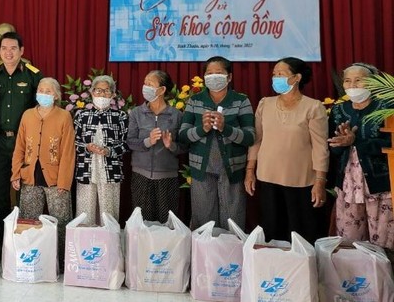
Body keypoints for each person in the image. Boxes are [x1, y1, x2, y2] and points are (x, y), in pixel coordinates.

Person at [245, 57, 329, 243]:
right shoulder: (265, 104)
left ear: (296, 77)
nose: (275, 78)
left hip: (301, 180)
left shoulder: (313, 107)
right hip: (268, 177)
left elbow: (320, 147)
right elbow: (256, 140)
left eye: (281, 74)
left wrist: (320, 181)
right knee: (272, 231)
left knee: (301, 234)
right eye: (274, 74)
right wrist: (250, 170)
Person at [180, 56, 255, 230]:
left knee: (233, 218)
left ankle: (231, 247)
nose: (213, 77)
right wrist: (202, 129)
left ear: (229, 77)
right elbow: (183, 136)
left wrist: (225, 128)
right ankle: (204, 248)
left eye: (218, 73)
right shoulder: (195, 100)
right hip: (202, 169)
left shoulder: (241, 101)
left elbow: (250, 137)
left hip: (232, 169)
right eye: (209, 73)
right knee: (203, 219)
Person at [328, 63, 393, 249]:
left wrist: (356, 141)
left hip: (381, 183)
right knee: (350, 241)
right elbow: (333, 146)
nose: (352, 85)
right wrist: (341, 143)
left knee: (383, 241)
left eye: (359, 80)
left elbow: (390, 143)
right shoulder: (339, 110)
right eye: (348, 81)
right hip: (348, 183)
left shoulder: (388, 107)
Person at [0, 31, 43, 238]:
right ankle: (1, 240)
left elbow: (41, 109)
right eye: (4, 48)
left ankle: (21, 238)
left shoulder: (33, 75)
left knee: (24, 194)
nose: (8, 53)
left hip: (24, 142)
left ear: (21, 51)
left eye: (13, 48)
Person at [11, 77, 74, 266]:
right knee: (29, 220)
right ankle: (30, 260)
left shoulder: (64, 116)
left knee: (60, 221)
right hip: (30, 176)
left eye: (48, 91)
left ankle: (62, 262)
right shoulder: (27, 115)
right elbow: (20, 146)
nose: (43, 94)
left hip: (55, 179)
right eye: (41, 90)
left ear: (56, 96)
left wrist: (64, 182)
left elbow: (68, 152)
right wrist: (15, 173)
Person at [127, 70, 184, 223]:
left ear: (162, 89)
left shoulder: (176, 115)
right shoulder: (137, 113)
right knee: (142, 223)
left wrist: (171, 145)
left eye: (150, 84)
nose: (145, 87)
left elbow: (184, 147)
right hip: (141, 175)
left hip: (167, 177)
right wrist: (148, 141)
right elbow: (130, 142)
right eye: (145, 83)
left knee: (166, 222)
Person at [74, 75, 129, 225]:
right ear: (92, 92)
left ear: (113, 94)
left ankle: (109, 238)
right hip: (86, 169)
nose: (102, 94)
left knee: (108, 214)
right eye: (98, 90)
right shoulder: (82, 115)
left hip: (110, 170)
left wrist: (108, 151)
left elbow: (126, 144)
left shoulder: (120, 116)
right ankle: (84, 239)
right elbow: (74, 142)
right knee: (85, 214)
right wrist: (87, 147)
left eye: (106, 90)